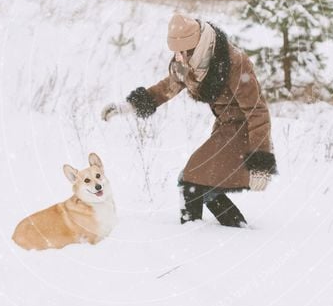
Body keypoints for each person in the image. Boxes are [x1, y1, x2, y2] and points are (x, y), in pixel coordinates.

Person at [101, 13, 277, 228]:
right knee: (207, 184)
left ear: (199, 45)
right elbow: (167, 87)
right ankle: (237, 230)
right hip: (224, 126)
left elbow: (257, 111)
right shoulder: (186, 63)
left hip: (244, 130)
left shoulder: (234, 62)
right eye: (176, 52)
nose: (180, 57)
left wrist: (261, 161)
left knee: (192, 178)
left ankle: (192, 234)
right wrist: (129, 106)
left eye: (185, 52)